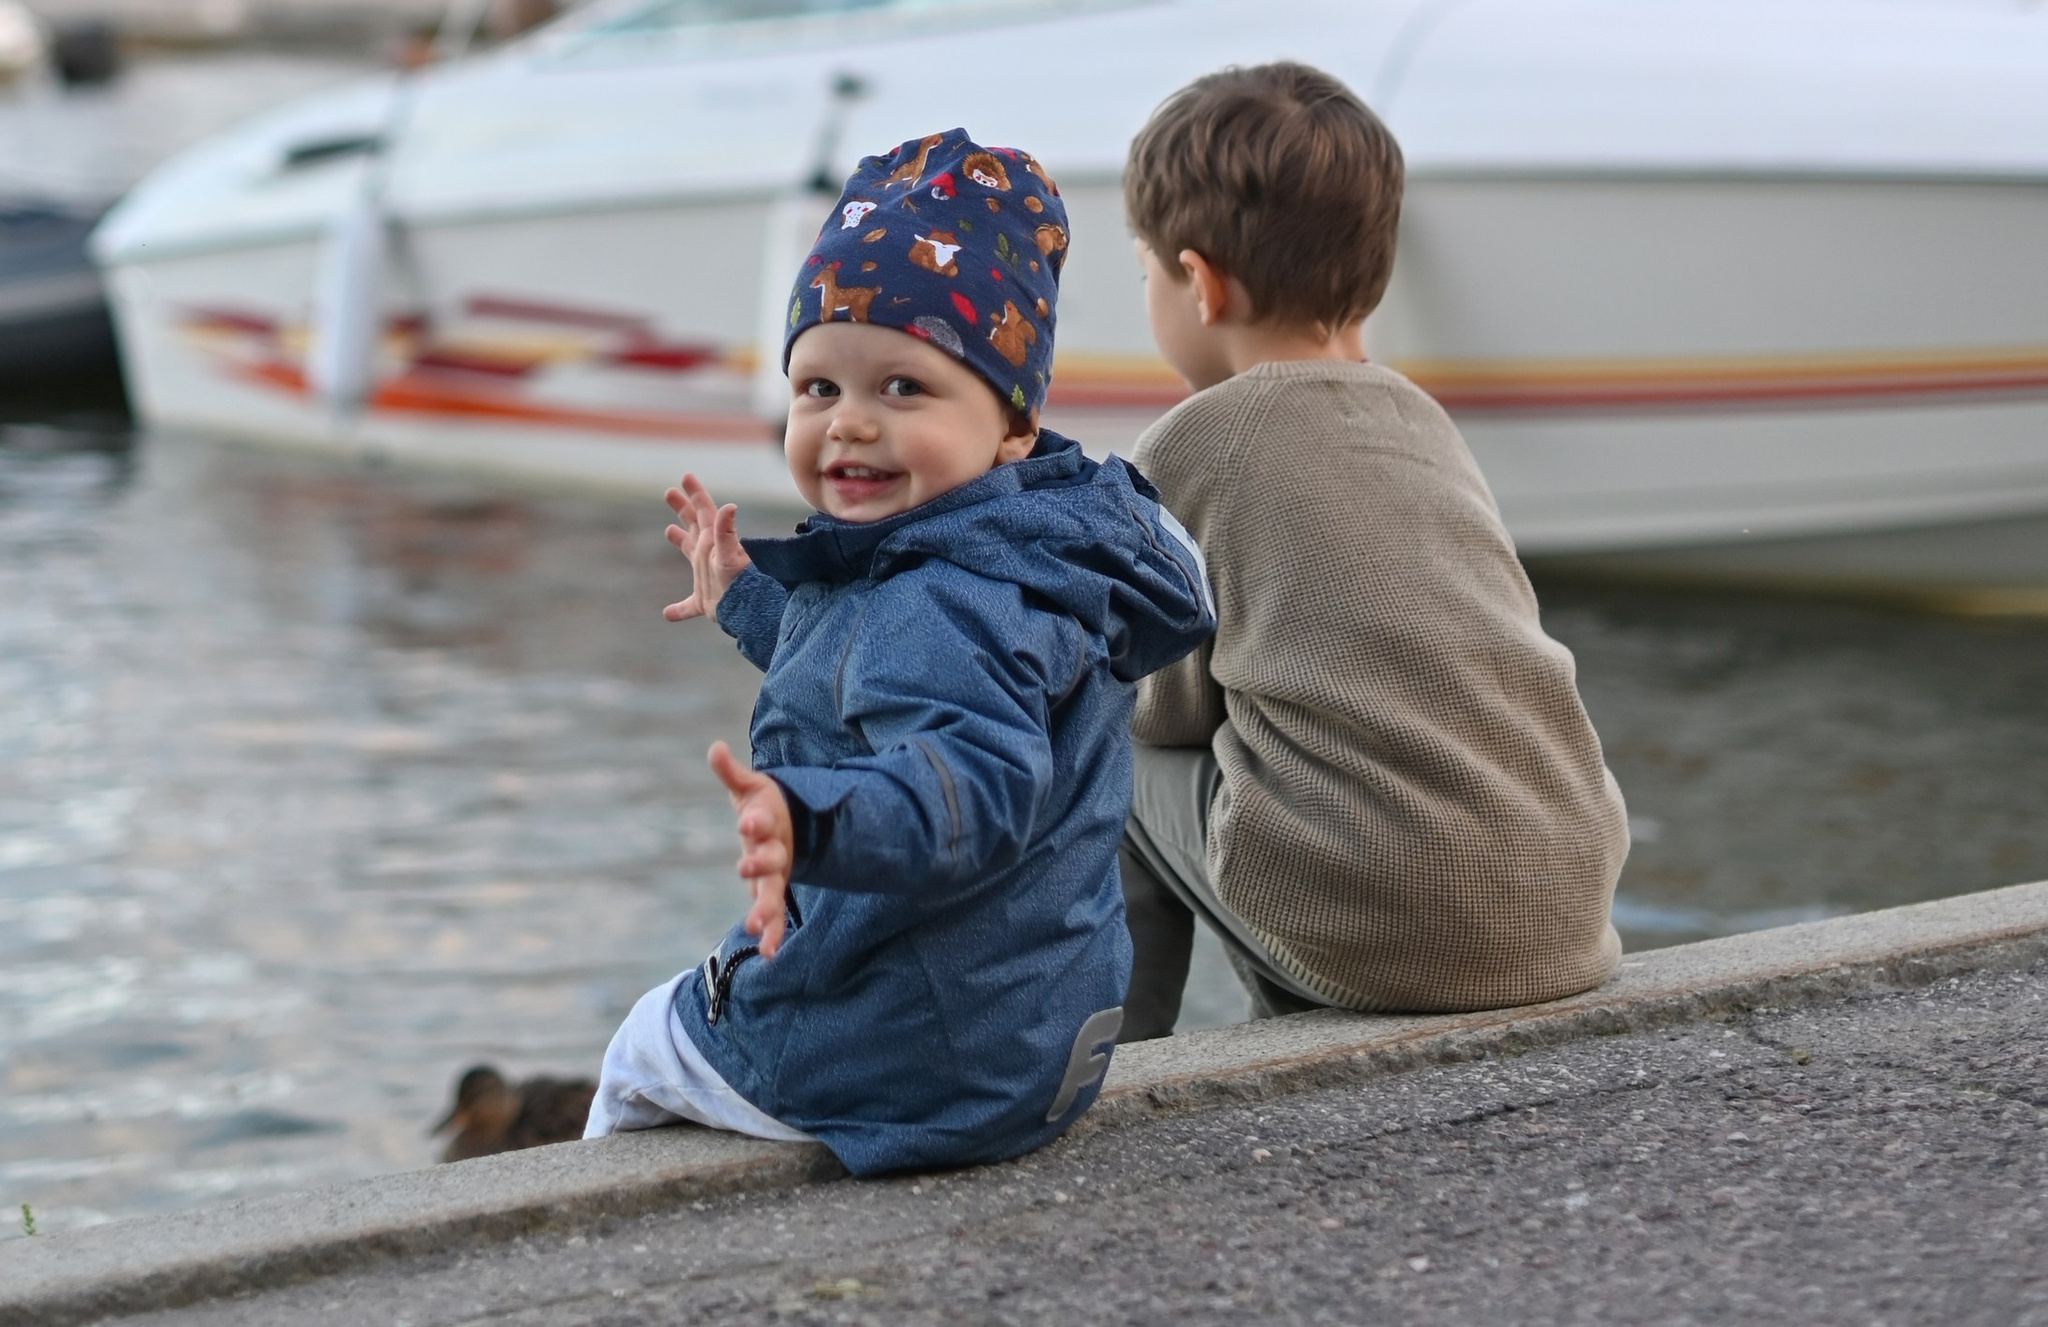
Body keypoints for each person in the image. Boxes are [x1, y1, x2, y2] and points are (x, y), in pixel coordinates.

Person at [585, 126, 1214, 1175]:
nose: (850, 426)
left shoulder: (940, 599)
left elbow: (964, 785)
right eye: (818, 388)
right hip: (1039, 1037)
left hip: (919, 1060)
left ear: (1011, 424)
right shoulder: (1028, 548)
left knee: (648, 1039)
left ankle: (588, 1253)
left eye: (902, 388)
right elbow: (863, 677)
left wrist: (809, 817)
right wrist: (744, 596)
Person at [1116, 58, 1630, 1033]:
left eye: (1143, 271)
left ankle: (1105, 1056)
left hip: (1393, 930)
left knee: (1103, 752)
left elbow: (1162, 701)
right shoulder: (1420, 421)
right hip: (1565, 916)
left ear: (1197, 281)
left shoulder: (1196, 440)